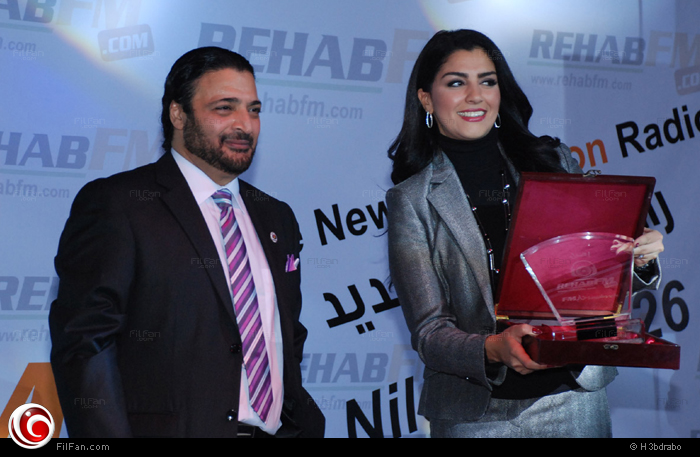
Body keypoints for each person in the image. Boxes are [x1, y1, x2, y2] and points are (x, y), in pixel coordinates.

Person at [386, 30, 663, 438]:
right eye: (456, 83)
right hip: (476, 417)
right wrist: (493, 348)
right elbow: (430, 334)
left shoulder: (553, 161)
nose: (476, 96)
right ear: (426, 99)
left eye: (487, 81)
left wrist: (635, 257)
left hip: (574, 398)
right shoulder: (411, 200)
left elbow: (593, 277)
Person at [49, 47, 325, 438]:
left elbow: (286, 337)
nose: (245, 125)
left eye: (254, 110)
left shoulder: (276, 216)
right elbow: (85, 346)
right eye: (225, 108)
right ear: (178, 115)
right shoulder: (119, 204)